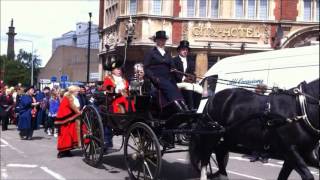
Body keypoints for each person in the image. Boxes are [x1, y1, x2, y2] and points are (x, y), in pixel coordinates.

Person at [143, 30, 188, 113]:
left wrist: (183, 77)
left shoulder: (167, 53)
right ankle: (179, 108)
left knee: (175, 87)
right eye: (160, 39)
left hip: (168, 78)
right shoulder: (151, 53)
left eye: (163, 39)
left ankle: (184, 106)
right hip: (157, 78)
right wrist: (154, 78)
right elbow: (146, 68)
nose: (162, 41)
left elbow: (173, 67)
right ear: (156, 40)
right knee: (169, 86)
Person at [55, 85, 81, 158]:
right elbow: (65, 109)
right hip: (66, 120)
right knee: (64, 136)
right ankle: (61, 152)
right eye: (77, 91)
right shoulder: (68, 98)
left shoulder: (73, 98)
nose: (78, 92)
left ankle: (67, 151)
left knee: (70, 136)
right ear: (73, 91)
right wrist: (79, 113)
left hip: (71, 119)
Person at [172, 40, 198, 110]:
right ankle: (190, 108)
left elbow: (193, 73)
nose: (185, 51)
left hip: (187, 83)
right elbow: (174, 73)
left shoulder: (191, 61)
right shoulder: (174, 60)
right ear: (179, 50)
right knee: (189, 86)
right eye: (183, 49)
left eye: (186, 50)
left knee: (198, 88)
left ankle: (197, 107)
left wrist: (193, 78)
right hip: (177, 83)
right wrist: (183, 79)